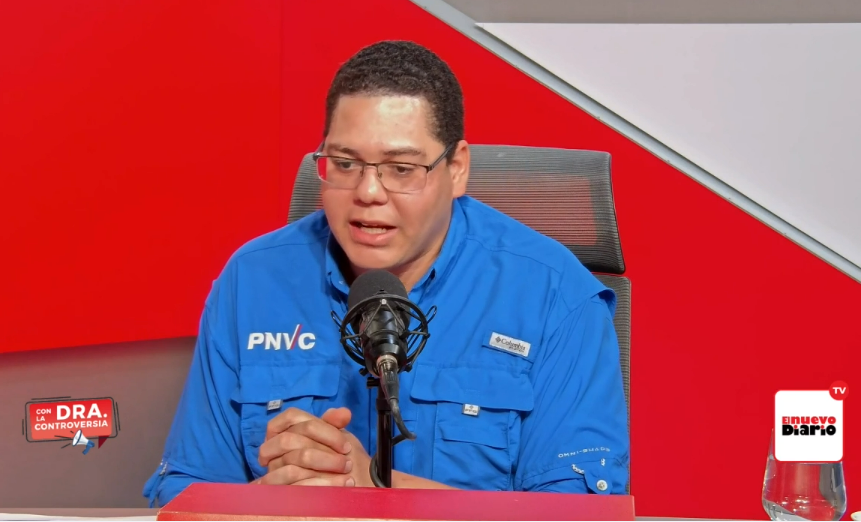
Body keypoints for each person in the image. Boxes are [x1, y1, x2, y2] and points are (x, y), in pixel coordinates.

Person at [143, 39, 630, 506]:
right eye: (345, 163)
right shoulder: (252, 280)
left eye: (400, 168)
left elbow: (578, 513)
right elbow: (185, 488)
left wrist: (373, 485)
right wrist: (266, 500)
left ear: (457, 168)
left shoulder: (554, 294)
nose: (368, 192)